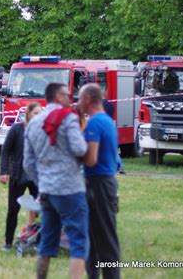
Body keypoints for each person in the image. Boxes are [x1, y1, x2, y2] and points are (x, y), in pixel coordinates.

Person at [24, 83, 89, 279]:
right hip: (70, 188)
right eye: (68, 95)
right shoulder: (68, 118)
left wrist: (42, 180)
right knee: (79, 241)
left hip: (46, 190)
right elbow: (79, 149)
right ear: (59, 96)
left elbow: (28, 162)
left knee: (47, 241)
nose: (70, 98)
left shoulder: (33, 123)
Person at [79, 84, 121, 279]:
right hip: (106, 183)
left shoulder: (95, 123)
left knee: (104, 237)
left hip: (98, 184)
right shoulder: (107, 121)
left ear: (88, 99)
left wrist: (74, 154)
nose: (78, 103)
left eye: (80, 99)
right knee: (93, 237)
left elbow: (91, 159)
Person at [0, 102, 42, 251]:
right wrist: (4, 171)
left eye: (40, 113)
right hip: (18, 174)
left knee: (38, 208)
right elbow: (5, 150)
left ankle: (32, 237)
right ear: (28, 114)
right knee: (13, 210)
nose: (38, 116)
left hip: (37, 177)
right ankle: (8, 242)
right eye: (35, 113)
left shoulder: (42, 130)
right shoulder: (17, 129)